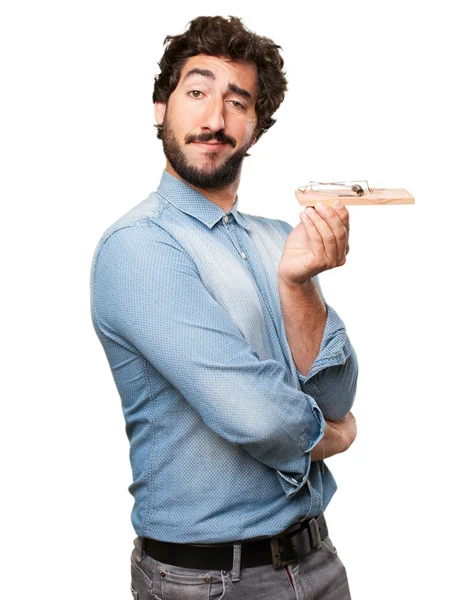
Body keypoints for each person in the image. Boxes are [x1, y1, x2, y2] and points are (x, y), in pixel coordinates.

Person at [90, 15, 359, 600]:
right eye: (197, 93)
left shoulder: (276, 239)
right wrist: (332, 438)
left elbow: (337, 393)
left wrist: (298, 286)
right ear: (160, 107)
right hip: (207, 582)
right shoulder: (139, 246)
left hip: (318, 561)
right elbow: (255, 416)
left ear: (256, 128)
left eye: (237, 103)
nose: (214, 120)